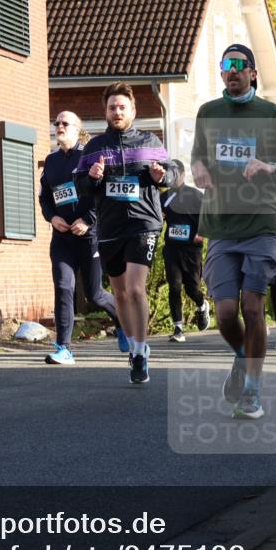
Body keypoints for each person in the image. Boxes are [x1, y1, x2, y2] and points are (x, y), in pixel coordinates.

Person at [191, 43, 276, 418]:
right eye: (226, 65)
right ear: (221, 73)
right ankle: (242, 358)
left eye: (240, 65)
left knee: (253, 308)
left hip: (263, 223)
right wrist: (197, 169)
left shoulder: (272, 115)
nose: (232, 71)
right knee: (225, 314)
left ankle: (252, 390)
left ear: (253, 73)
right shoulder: (208, 113)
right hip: (222, 224)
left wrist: (270, 168)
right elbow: (197, 156)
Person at [76, 82, 176, 383]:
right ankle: (133, 347)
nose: (117, 112)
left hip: (144, 222)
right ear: (105, 112)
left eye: (122, 107)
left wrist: (163, 176)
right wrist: (92, 177)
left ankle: (142, 350)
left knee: (134, 288)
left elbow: (173, 172)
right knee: (119, 293)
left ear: (133, 110)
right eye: (112, 107)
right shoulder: (94, 147)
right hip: (109, 227)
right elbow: (81, 187)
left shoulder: (150, 141)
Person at [39, 111, 124, 363]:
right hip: (62, 238)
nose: (59, 127)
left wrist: (88, 220)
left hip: (89, 237)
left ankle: (122, 320)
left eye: (65, 123)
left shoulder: (90, 156)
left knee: (95, 294)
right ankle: (63, 347)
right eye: (56, 123)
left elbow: (104, 193)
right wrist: (52, 218)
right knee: (64, 287)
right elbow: (45, 197)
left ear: (77, 130)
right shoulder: (51, 161)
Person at [161, 159, 211, 342]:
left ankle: (201, 304)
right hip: (172, 248)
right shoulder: (165, 197)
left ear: (182, 174)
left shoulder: (196, 196)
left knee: (192, 289)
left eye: (174, 173)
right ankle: (178, 328)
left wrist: (202, 233)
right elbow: (157, 217)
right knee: (174, 286)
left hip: (191, 249)